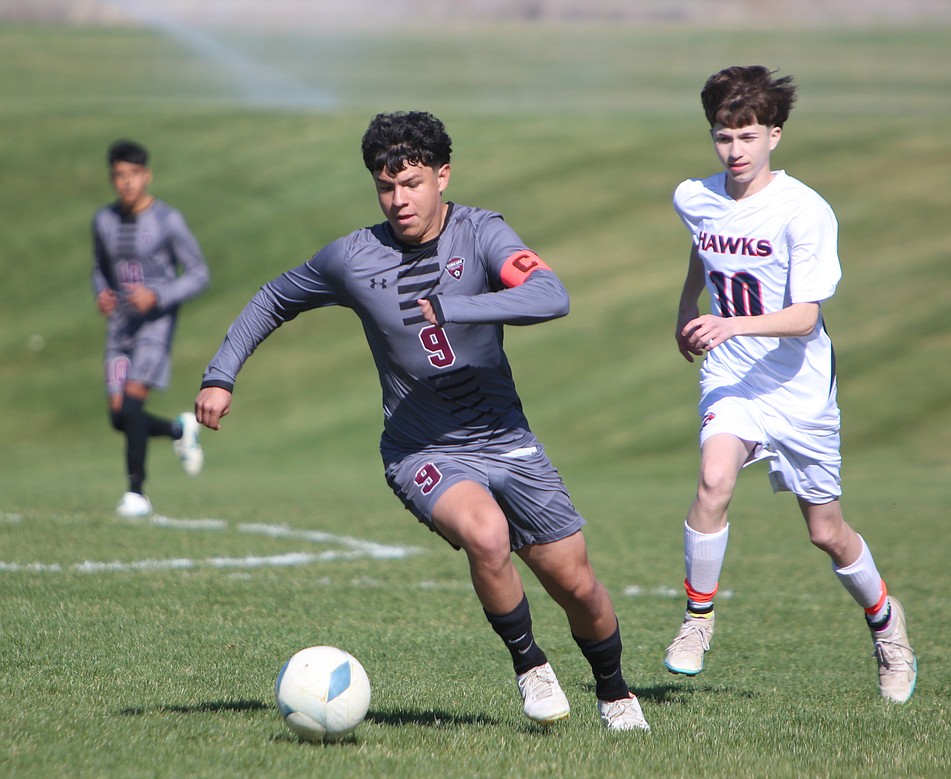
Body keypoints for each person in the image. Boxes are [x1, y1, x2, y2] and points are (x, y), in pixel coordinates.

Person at [194, 111, 650, 731]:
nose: (398, 200)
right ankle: (530, 665)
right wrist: (221, 374)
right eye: (386, 187)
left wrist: (456, 307)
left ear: (442, 175)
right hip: (422, 447)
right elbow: (274, 298)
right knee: (486, 535)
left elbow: (552, 295)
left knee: (576, 585)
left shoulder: (483, 233)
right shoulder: (352, 258)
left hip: (506, 439)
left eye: (411, 184)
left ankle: (615, 692)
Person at [663, 66, 918, 703]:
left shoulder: (805, 211)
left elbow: (805, 317)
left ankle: (888, 629)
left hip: (798, 385)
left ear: (774, 135)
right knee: (714, 480)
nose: (735, 150)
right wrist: (685, 307)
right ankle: (697, 623)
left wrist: (727, 324)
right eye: (723, 137)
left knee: (826, 532)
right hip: (733, 376)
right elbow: (705, 245)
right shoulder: (694, 195)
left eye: (747, 135)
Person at [93, 139, 209, 518]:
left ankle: (136, 494)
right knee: (118, 417)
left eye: (133, 175)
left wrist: (158, 296)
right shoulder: (104, 221)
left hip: (154, 329)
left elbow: (198, 274)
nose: (126, 183)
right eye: (119, 176)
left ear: (147, 175)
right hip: (120, 330)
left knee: (131, 405)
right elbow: (100, 269)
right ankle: (179, 430)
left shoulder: (167, 220)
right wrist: (103, 294)